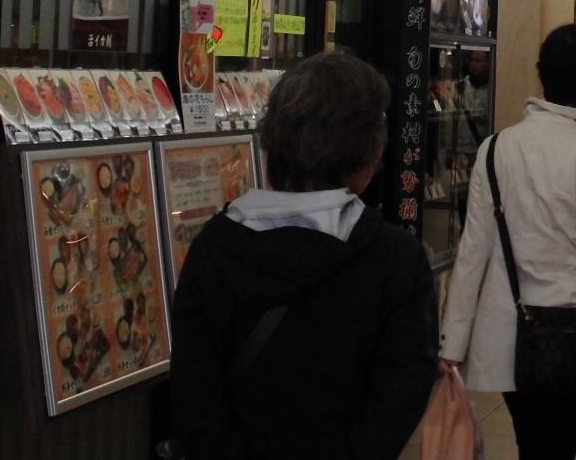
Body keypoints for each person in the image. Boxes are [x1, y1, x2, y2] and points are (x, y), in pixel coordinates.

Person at [171, 51, 438, 460]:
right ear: (367, 156)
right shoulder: (396, 260)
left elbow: (194, 394)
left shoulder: (215, 245)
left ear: (272, 143)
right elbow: (397, 402)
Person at [440, 24, 576, 460]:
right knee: (558, 447)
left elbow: (472, 251)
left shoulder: (496, 149)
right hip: (570, 328)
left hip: (506, 332)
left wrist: (451, 342)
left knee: (530, 442)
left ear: (542, 73)